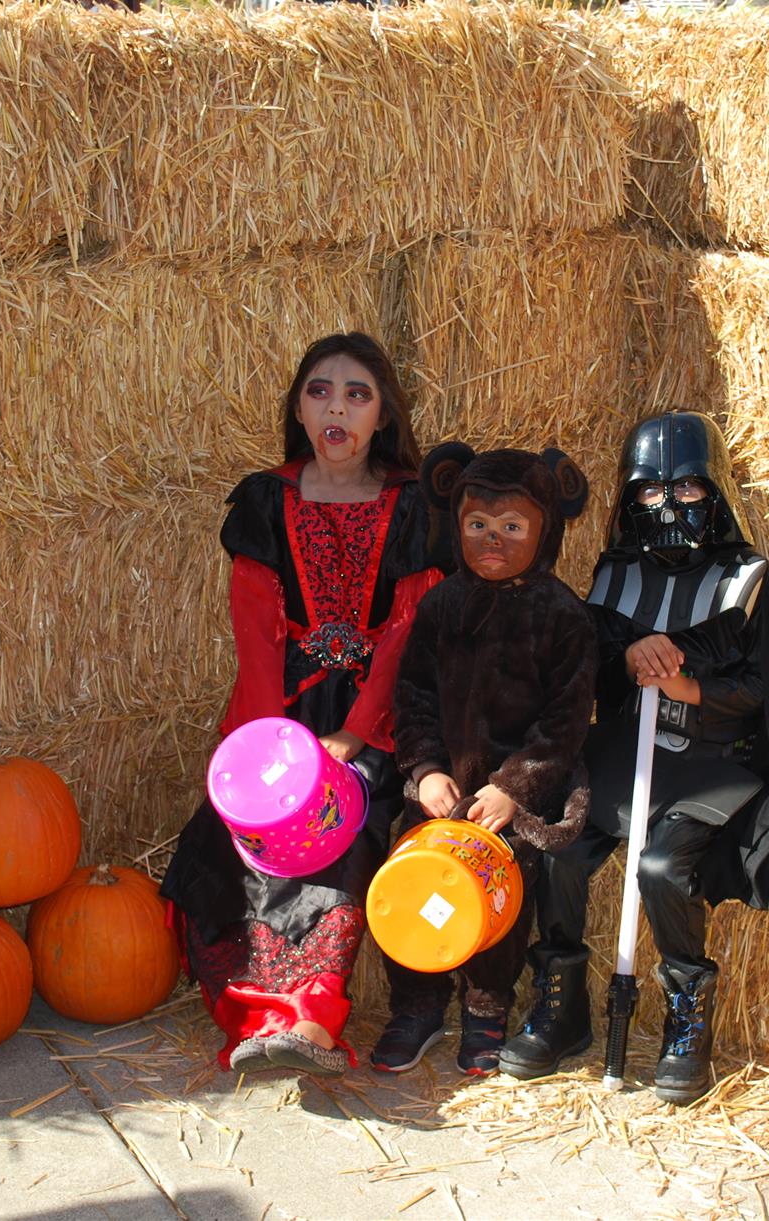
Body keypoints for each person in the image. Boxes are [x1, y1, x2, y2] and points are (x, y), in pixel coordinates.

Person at [497, 411, 769, 1105]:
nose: (668, 509)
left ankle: (688, 1014)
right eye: (650, 494)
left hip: (711, 760)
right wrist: (625, 655)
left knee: (661, 867)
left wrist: (691, 684)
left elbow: (765, 686)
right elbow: (584, 666)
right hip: (625, 750)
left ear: (714, 491)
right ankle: (563, 1003)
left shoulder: (746, 578)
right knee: (561, 850)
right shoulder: (615, 573)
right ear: (630, 501)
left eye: (687, 491)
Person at [158, 332, 445, 1077]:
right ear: (298, 407)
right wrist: (269, 749)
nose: (337, 407)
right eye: (320, 390)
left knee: (339, 833)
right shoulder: (266, 497)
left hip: (372, 719)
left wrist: (353, 734)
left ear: (383, 415)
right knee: (239, 844)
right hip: (278, 710)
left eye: (357, 393)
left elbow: (408, 627)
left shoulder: (413, 503)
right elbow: (252, 622)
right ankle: (257, 1017)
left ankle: (312, 1017)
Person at [371, 443, 597, 1076]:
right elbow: (411, 696)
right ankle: (416, 1005)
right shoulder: (442, 607)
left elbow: (565, 722)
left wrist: (514, 790)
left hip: (507, 796)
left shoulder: (564, 617)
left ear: (545, 529)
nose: (492, 540)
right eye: (477, 526)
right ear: (457, 523)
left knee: (501, 893)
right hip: (442, 791)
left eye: (512, 527)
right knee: (413, 879)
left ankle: (485, 1006)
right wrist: (424, 770)